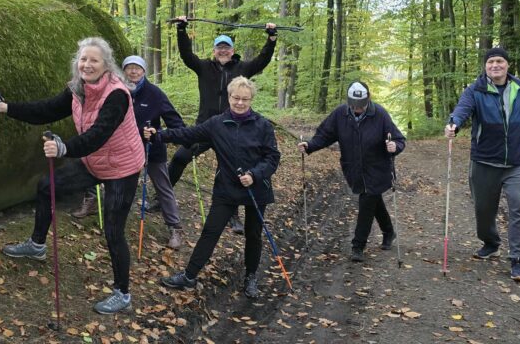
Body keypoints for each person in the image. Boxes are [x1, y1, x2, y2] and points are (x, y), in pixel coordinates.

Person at [0, 37, 144, 314]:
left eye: (94, 60)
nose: (87, 64)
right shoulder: (77, 89)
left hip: (122, 167)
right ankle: (37, 245)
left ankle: (122, 293)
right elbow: (45, 110)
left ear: (106, 65)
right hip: (93, 161)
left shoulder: (118, 94)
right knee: (47, 186)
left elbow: (98, 135)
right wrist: (4, 107)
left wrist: (64, 148)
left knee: (113, 230)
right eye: (83, 59)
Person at [148, 76, 281, 299]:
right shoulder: (217, 124)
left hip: (256, 188)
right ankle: (189, 276)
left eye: (245, 99)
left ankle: (250, 277)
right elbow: (187, 134)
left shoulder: (263, 125)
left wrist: (255, 175)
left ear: (251, 100)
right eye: (236, 98)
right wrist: (158, 135)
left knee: (253, 234)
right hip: (227, 188)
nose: (240, 103)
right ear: (229, 97)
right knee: (211, 231)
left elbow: (272, 157)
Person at [161, 16, 278, 234]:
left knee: (231, 171)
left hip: (233, 130)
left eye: (227, 47)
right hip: (205, 127)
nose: (223, 51)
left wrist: (271, 39)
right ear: (214, 51)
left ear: (233, 50)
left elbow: (262, 60)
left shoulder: (243, 68)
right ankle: (163, 200)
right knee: (179, 158)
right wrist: (182, 30)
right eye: (219, 48)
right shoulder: (204, 67)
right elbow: (186, 55)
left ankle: (233, 216)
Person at [445, 47, 520, 283]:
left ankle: (519, 259)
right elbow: (462, 110)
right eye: (491, 61)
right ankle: (491, 242)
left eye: (500, 61)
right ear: (485, 66)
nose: (495, 65)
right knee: (484, 210)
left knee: (519, 208)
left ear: (507, 65)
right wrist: (453, 124)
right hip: (484, 160)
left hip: (517, 161)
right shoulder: (475, 90)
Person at [71, 55, 188, 249]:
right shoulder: (114, 90)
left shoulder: (155, 94)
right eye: (129, 68)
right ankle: (91, 200)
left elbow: (177, 125)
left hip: (151, 148)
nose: (133, 71)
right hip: (120, 149)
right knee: (92, 169)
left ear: (144, 71)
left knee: (162, 186)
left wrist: (159, 134)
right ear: (123, 70)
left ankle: (175, 227)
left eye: (138, 68)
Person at [297, 82, 406, 262]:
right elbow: (325, 135)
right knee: (372, 198)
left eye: (361, 105)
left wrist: (395, 146)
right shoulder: (340, 114)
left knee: (367, 200)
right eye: (354, 105)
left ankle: (358, 245)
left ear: (368, 99)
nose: (357, 109)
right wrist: (310, 145)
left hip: (377, 167)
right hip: (353, 168)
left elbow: (398, 138)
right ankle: (389, 232)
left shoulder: (379, 114)